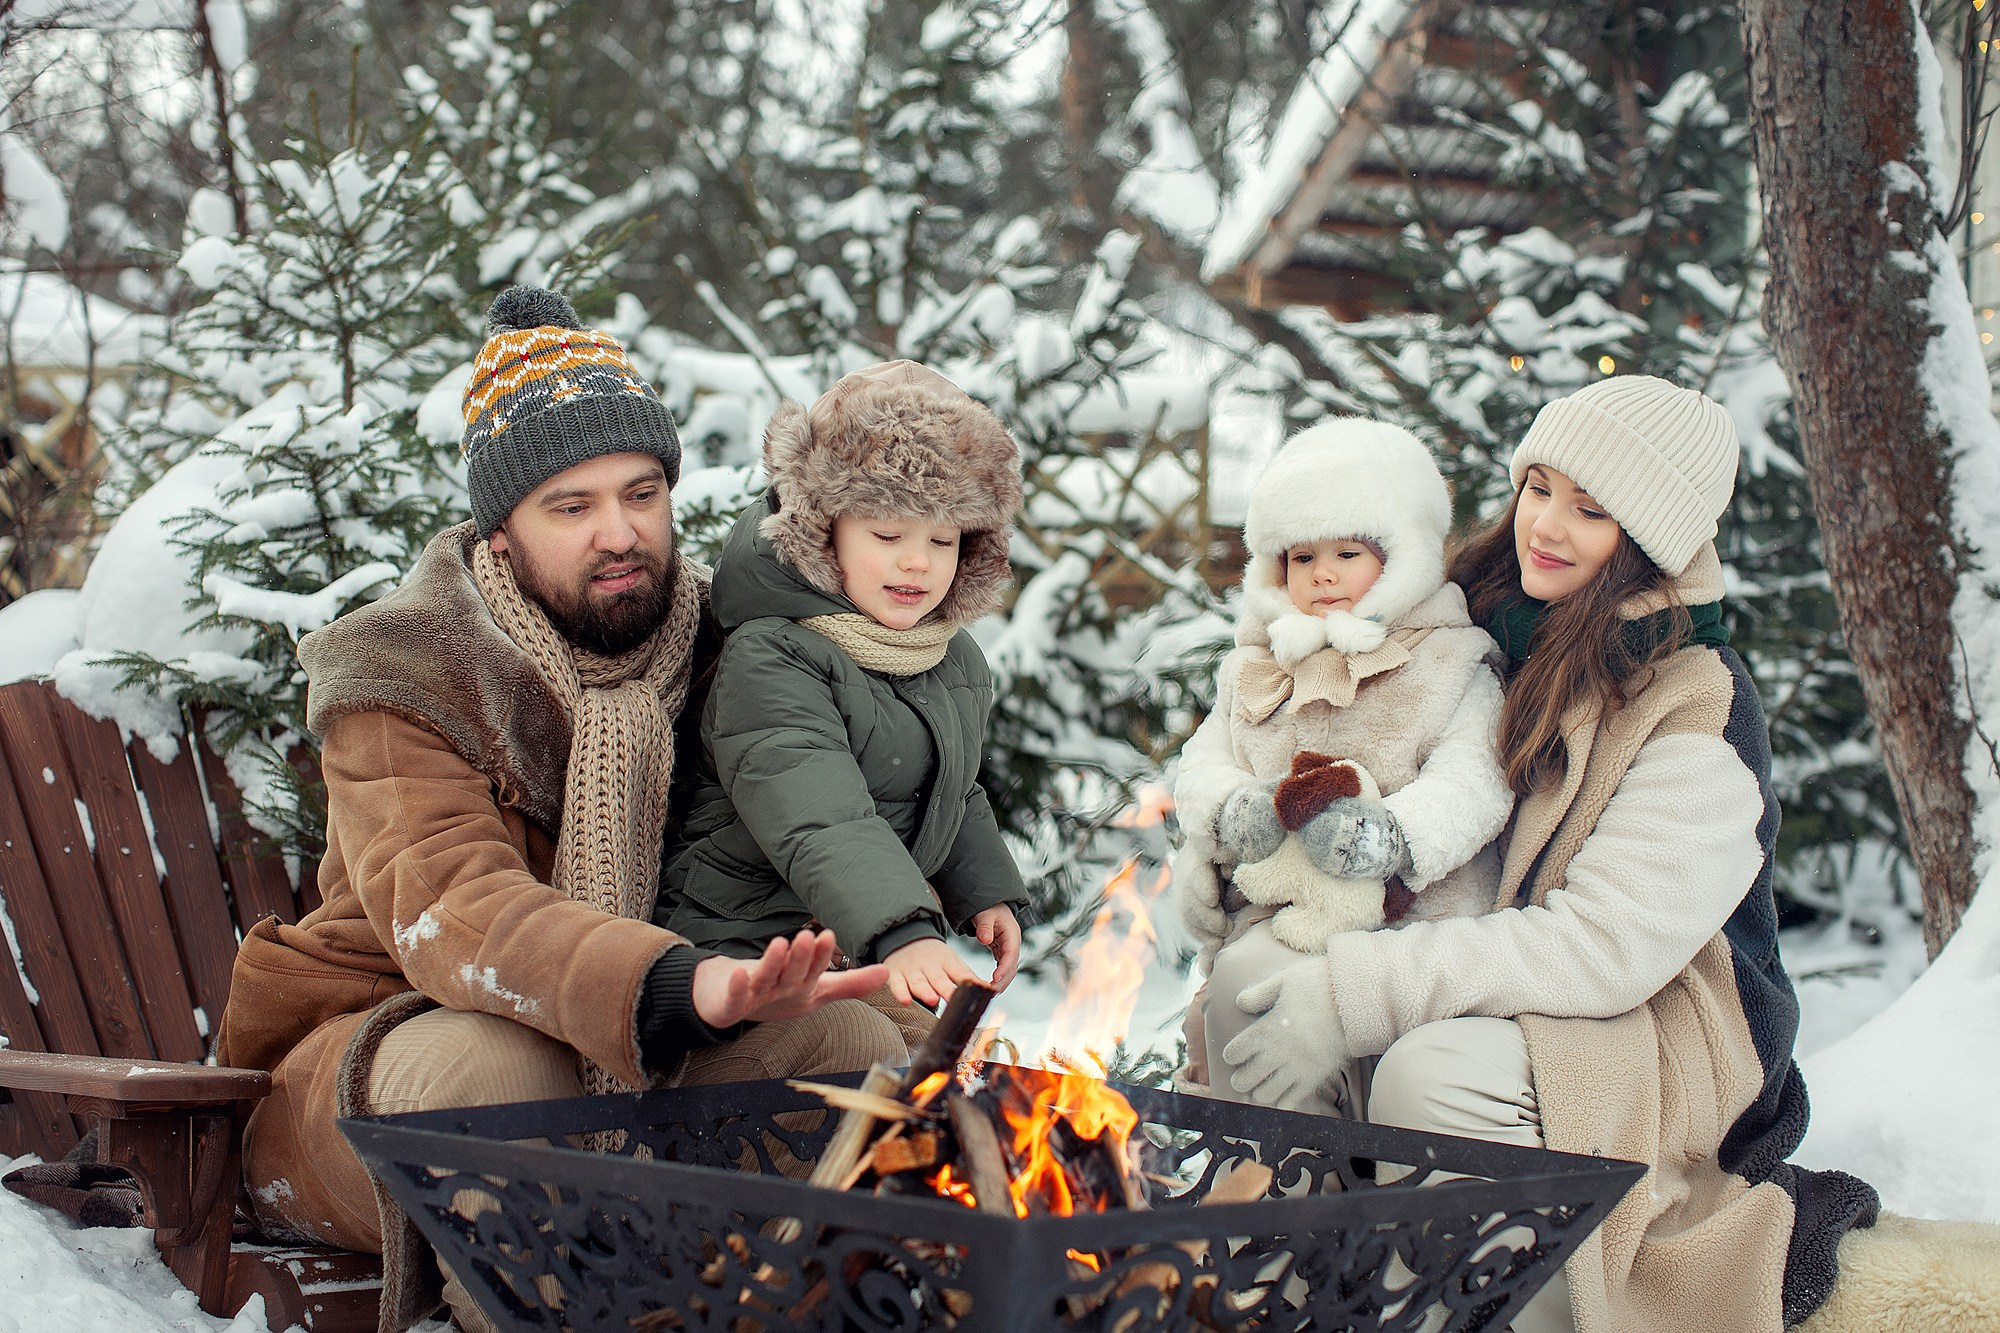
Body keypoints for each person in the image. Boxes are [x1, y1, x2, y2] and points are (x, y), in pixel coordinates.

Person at [215, 287, 922, 1333]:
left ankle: (765, 1306)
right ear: (499, 531)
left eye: (640, 493)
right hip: (377, 1050)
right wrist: (675, 980)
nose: (619, 532)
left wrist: (918, 974)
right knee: (510, 1066)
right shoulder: (403, 669)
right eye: (571, 504)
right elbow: (455, 912)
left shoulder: (723, 648)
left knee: (849, 1043)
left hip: (662, 1032)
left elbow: (824, 810)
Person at [1215, 377, 1879, 1333]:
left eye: (1592, 509)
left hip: (1661, 1015)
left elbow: (1603, 944)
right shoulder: (1487, 613)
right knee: (1252, 979)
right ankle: (1287, 1286)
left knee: (1430, 1070)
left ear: (1650, 538)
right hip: (1481, 936)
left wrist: (1355, 989)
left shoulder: (1697, 703)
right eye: (1540, 487)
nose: (1548, 526)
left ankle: (1468, 1310)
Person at [659, 360, 1029, 1009]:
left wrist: (983, 889)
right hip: (747, 944)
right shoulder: (773, 652)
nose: (916, 560)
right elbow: (819, 810)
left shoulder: (947, 656)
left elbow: (950, 786)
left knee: (937, 1080)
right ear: (822, 530)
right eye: (887, 533)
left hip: (853, 939)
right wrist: (903, 926)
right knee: (879, 1064)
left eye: (942, 540)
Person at [1171, 418, 1513, 1106]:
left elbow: (1476, 778)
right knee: (1248, 997)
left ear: (1404, 556)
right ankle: (1284, 1187)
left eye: (1348, 552)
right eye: (1301, 557)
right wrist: (1233, 809)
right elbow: (1203, 758)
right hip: (1279, 915)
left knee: (1330, 1032)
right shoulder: (1258, 667)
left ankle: (1352, 1173)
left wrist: (1391, 835)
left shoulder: (1451, 661)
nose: (1322, 573)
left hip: (1409, 926)